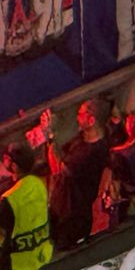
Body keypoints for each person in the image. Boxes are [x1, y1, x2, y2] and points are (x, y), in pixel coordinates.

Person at [42, 99, 111, 249]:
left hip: (72, 217)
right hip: (62, 210)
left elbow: (57, 169)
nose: (77, 117)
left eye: (81, 114)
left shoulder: (91, 153)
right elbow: (61, 155)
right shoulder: (82, 139)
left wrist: (50, 136)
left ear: (91, 120)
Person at [0, 144, 52, 270]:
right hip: (41, 254)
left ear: (15, 167)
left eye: (8, 159)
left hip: (17, 263)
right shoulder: (39, 184)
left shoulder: (10, 198)